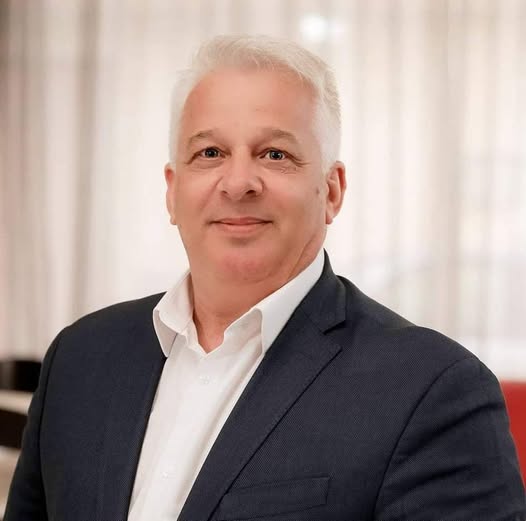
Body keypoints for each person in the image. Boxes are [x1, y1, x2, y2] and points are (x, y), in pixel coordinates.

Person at [5, 34, 525, 521]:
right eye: (210, 153)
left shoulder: (432, 390)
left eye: (275, 154)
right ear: (172, 190)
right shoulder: (79, 358)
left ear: (332, 190)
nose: (238, 183)